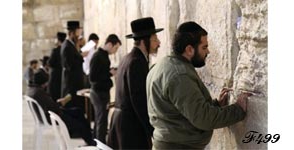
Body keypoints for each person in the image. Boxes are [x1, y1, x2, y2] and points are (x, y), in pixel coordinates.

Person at [146, 21, 251, 149]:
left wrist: (216, 106)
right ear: (189, 49)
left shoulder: (162, 65)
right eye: (204, 47)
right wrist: (238, 109)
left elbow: (180, 111)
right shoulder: (179, 75)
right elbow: (204, 119)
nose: (208, 52)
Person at [107, 17, 163, 149]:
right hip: (130, 128)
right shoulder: (136, 62)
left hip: (123, 123)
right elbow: (138, 100)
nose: (159, 43)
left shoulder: (128, 58)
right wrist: (152, 130)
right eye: (155, 39)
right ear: (145, 41)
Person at [27, 70, 96, 146]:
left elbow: (49, 105)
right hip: (53, 116)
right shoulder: (39, 92)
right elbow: (52, 107)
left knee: (78, 111)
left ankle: (89, 136)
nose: (46, 84)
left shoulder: (32, 89)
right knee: (78, 124)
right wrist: (61, 102)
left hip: (50, 113)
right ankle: (90, 141)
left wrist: (58, 103)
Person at [89, 34, 121, 143]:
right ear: (109, 44)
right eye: (115, 48)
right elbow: (92, 77)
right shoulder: (97, 55)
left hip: (101, 92)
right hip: (98, 93)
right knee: (101, 122)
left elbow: (100, 72)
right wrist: (109, 73)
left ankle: (95, 144)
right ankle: (100, 145)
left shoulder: (104, 55)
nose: (115, 51)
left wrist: (109, 72)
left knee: (100, 121)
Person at [60, 21, 85, 111]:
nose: (79, 35)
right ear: (71, 33)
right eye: (77, 32)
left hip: (74, 85)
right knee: (72, 111)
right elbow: (70, 65)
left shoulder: (72, 44)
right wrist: (81, 56)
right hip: (71, 85)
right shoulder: (67, 46)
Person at [48, 32, 66, 101]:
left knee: (54, 97)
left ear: (58, 40)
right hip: (63, 76)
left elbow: (50, 63)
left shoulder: (55, 50)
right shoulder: (65, 49)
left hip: (55, 77)